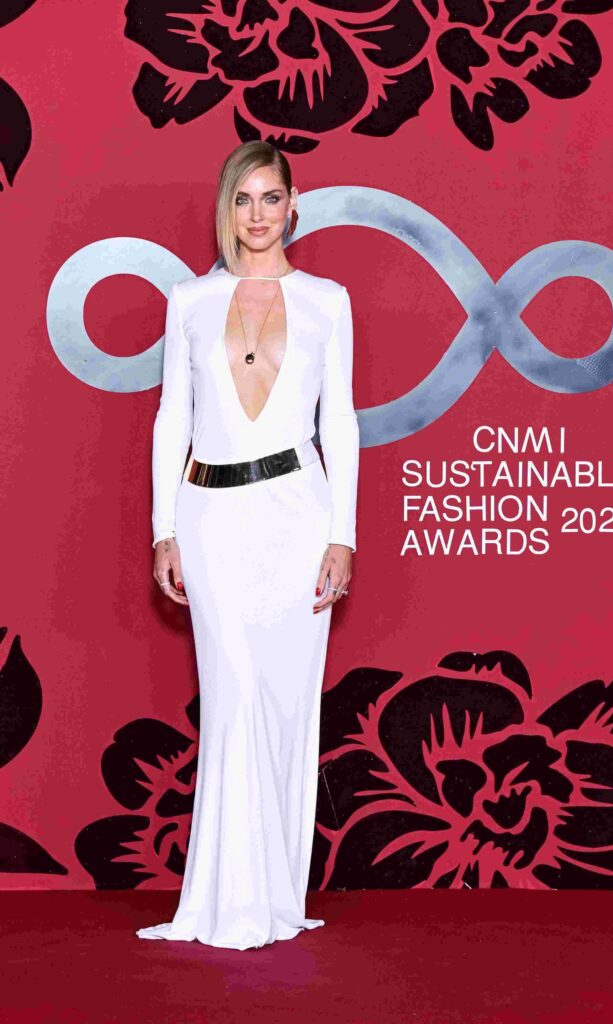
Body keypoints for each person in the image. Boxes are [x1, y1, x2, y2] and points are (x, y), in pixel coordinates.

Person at [136, 141, 360, 950]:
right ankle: (223, 904)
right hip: (211, 517)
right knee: (232, 697)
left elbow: (340, 420)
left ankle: (273, 897)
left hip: (298, 512)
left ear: (293, 205)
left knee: (286, 704)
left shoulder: (328, 301)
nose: (257, 214)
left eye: (270, 198)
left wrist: (342, 535)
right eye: (242, 199)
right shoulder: (189, 301)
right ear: (226, 209)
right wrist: (163, 527)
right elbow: (173, 416)